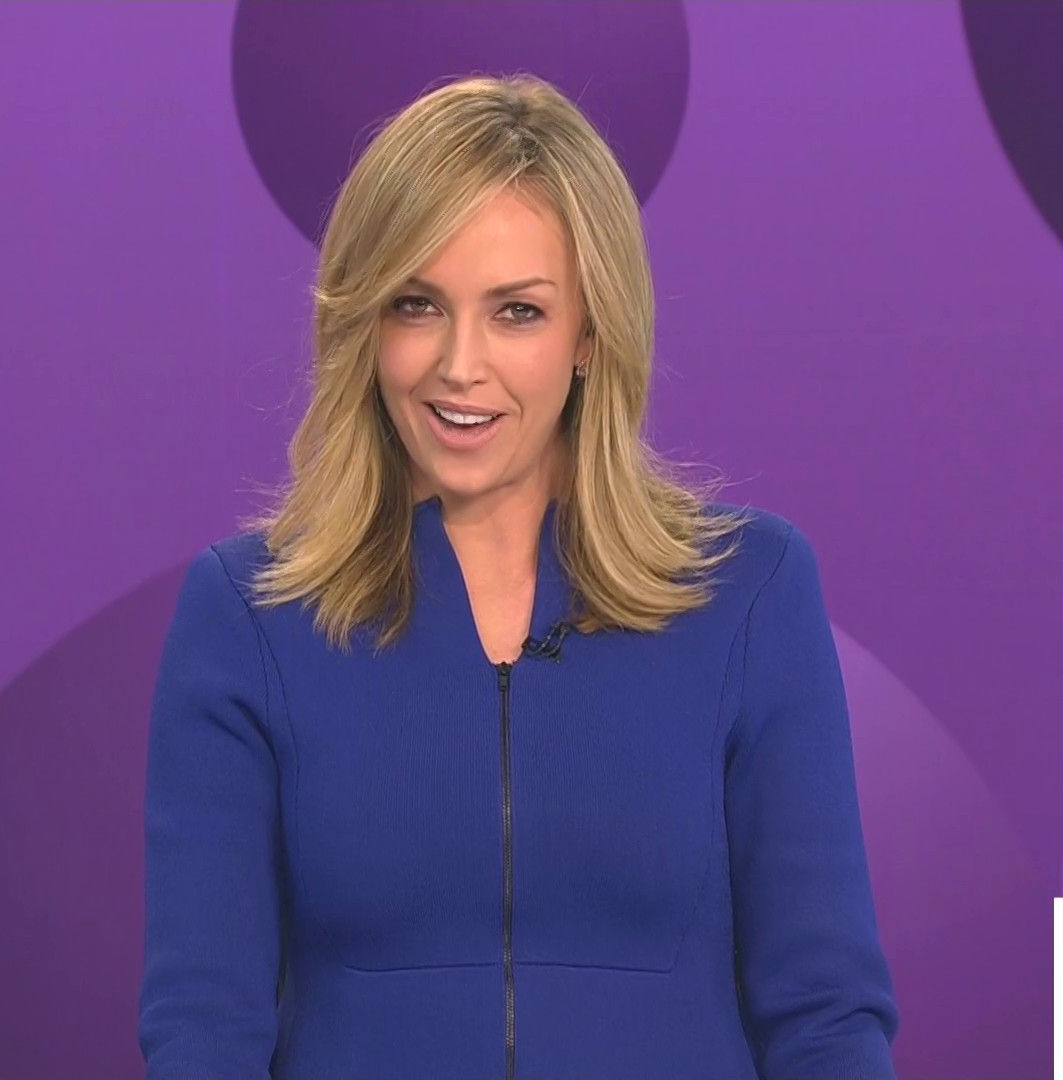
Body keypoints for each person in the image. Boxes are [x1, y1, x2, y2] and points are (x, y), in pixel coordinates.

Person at [139, 73, 899, 1080]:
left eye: (518, 312)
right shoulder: (248, 614)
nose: (461, 365)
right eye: (418, 305)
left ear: (589, 335)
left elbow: (827, 1017)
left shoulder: (749, 592)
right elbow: (202, 1029)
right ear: (365, 325)